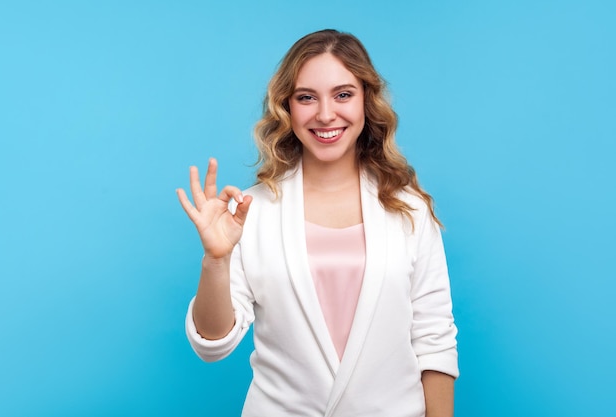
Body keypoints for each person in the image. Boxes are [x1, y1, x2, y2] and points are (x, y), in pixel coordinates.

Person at [176, 29, 458, 417]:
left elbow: (434, 337)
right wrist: (215, 260)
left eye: (343, 94)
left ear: (366, 102)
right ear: (287, 108)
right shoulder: (250, 211)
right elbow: (213, 344)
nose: (326, 114)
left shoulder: (407, 208)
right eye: (307, 97)